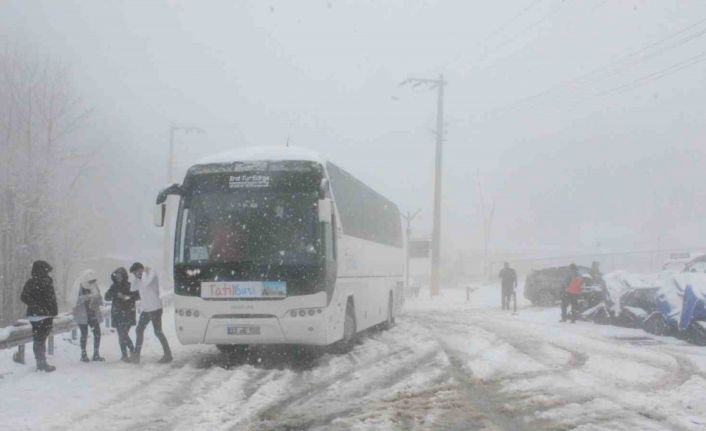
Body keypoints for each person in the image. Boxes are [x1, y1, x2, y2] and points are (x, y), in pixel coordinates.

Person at [130, 262, 172, 364]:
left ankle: (168, 355)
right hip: (146, 310)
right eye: (135, 273)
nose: (137, 274)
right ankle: (136, 355)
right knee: (139, 330)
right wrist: (136, 277)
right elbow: (132, 288)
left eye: (138, 272)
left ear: (142, 269)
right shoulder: (139, 279)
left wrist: (144, 273)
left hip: (156, 309)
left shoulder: (151, 273)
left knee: (158, 332)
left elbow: (146, 283)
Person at [20, 260, 58, 372]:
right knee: (41, 339)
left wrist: (34, 305)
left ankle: (40, 362)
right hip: (45, 315)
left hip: (34, 315)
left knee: (38, 339)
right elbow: (51, 300)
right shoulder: (47, 281)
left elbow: (23, 297)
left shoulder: (30, 282)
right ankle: (42, 364)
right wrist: (50, 311)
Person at [105, 267, 139, 362]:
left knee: (123, 334)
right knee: (121, 334)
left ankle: (132, 350)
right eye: (116, 276)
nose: (118, 278)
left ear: (124, 276)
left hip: (128, 313)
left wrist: (127, 297)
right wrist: (116, 295)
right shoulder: (113, 286)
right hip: (117, 314)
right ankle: (125, 354)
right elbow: (106, 296)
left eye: (120, 276)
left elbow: (137, 296)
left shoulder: (129, 285)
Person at [72, 269, 104, 362]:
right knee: (84, 334)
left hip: (92, 313)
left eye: (93, 281)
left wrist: (97, 298)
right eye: (90, 281)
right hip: (81, 313)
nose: (92, 283)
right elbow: (73, 301)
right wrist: (85, 298)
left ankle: (96, 353)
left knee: (97, 332)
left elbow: (100, 299)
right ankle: (83, 354)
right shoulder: (78, 286)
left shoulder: (94, 286)